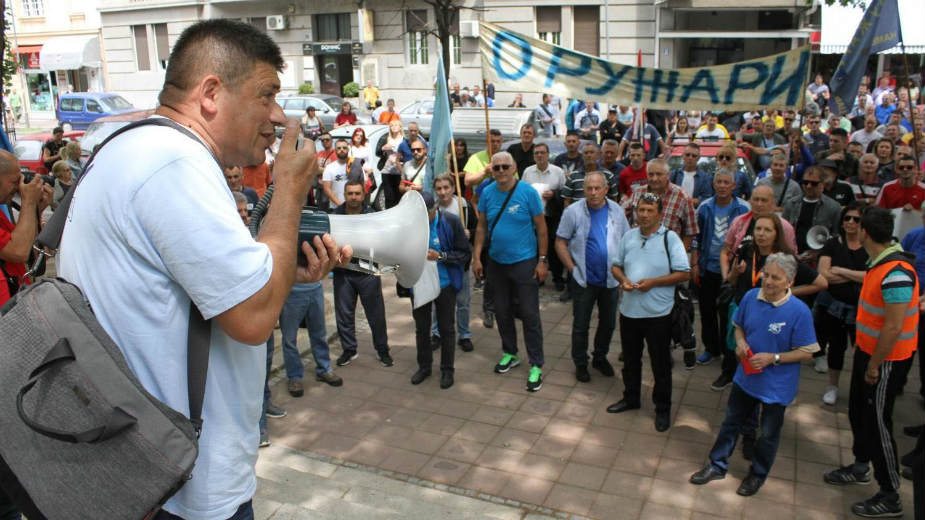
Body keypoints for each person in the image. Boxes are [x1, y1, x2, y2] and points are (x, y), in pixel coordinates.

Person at [56, 19, 348, 520]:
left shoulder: (135, 147)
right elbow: (252, 319)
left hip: (148, 468)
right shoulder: (174, 163)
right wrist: (289, 189)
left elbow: (198, 289)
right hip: (183, 488)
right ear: (211, 93)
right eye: (266, 95)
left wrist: (281, 274)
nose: (278, 117)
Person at [690, 253, 818, 497]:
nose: (768, 281)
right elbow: (738, 326)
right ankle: (717, 465)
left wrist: (774, 358)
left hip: (776, 387)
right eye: (766, 275)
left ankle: (757, 475)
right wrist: (740, 343)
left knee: (768, 434)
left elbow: (808, 352)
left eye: (776, 278)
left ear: (790, 281)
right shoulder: (750, 297)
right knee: (731, 423)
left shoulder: (799, 312)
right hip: (746, 378)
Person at [823, 207, 918, 518]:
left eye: (858, 225)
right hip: (868, 354)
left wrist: (875, 365)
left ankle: (890, 494)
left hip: (886, 360)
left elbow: (893, 327)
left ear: (865, 232)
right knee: (859, 413)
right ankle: (861, 466)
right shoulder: (880, 261)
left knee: (878, 423)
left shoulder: (896, 272)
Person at [607, 192, 690, 432]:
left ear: (659, 214)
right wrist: (623, 280)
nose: (644, 215)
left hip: (658, 314)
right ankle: (631, 397)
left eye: (649, 210)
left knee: (660, 365)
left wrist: (653, 283)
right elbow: (616, 266)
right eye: (641, 210)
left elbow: (684, 273)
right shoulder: (629, 236)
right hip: (629, 312)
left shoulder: (670, 239)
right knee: (630, 360)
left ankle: (662, 409)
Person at [472, 152, 548, 392]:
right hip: (496, 263)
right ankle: (510, 352)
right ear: (491, 170)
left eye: (505, 166)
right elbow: (481, 227)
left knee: (529, 314)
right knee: (502, 311)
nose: (501, 171)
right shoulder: (487, 193)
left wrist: (542, 260)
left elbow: (541, 228)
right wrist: (477, 257)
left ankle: (536, 364)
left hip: (524, 262)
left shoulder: (527, 193)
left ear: (514, 168)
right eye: (497, 168)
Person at [555, 171, 630, 382]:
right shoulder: (573, 211)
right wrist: (572, 269)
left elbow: (626, 241)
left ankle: (600, 357)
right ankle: (581, 362)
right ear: (584, 190)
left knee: (608, 324)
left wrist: (624, 274)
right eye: (589, 188)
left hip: (611, 279)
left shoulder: (617, 211)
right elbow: (560, 242)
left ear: (606, 189)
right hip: (583, 279)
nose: (593, 192)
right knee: (581, 324)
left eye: (598, 188)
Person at [692, 169, 751, 371]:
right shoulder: (705, 207)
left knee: (728, 313)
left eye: (727, 182)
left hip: (733, 271)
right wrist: (695, 264)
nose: (723, 186)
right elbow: (696, 237)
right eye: (719, 182)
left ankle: (728, 352)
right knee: (707, 311)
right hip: (708, 267)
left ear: (734, 186)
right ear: (713, 184)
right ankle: (711, 348)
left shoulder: (743, 208)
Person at [411, 192, 471, 389]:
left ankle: (447, 370)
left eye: (426, 214)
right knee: (422, 328)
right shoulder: (411, 224)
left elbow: (464, 253)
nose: (422, 218)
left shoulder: (451, 222)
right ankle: (424, 367)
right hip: (420, 284)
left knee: (446, 329)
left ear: (435, 209)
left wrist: (441, 256)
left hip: (445, 284)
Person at [333, 179, 393, 368]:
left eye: (357, 193)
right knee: (344, 315)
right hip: (343, 272)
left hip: (367, 271)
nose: (353, 197)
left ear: (363, 195)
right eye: (350, 193)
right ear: (344, 195)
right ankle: (349, 350)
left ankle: (383, 350)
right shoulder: (335, 216)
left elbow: (382, 241)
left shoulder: (372, 215)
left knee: (376, 315)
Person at [816, 203, 868, 405]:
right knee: (836, 347)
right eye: (847, 218)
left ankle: (861, 388)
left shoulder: (868, 245)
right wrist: (856, 277)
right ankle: (832, 386)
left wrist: (841, 271)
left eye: (856, 219)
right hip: (834, 306)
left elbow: (870, 276)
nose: (850, 222)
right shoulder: (832, 243)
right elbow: (824, 274)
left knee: (861, 349)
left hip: (861, 308)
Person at [431, 174, 477, 352]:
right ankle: (436, 333)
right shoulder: (433, 208)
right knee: (437, 300)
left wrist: (469, 233)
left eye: (446, 187)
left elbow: (477, 228)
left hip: (459, 263)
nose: (443, 192)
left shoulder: (463, 206)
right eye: (439, 188)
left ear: (453, 188)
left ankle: (464, 334)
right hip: (439, 263)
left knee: (463, 301)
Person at [0, 150, 52, 307]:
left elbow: (29, 250)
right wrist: (29, 202)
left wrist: (36, 210)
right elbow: (18, 251)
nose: (19, 187)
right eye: (15, 181)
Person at [522, 143, 567, 291]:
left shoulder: (558, 172)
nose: (539, 155)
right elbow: (522, 192)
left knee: (554, 246)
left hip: (552, 215)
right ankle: (538, 276)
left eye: (542, 153)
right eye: (536, 153)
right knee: (535, 245)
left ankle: (557, 277)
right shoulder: (528, 172)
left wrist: (554, 194)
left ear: (548, 155)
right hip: (533, 216)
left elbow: (565, 193)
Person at [625, 158, 698, 249]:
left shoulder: (682, 197)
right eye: (651, 174)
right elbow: (625, 219)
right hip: (637, 250)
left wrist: (679, 253)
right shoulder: (638, 193)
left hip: (667, 253)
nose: (654, 178)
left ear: (668, 175)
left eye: (659, 174)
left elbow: (690, 232)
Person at [782, 166, 842, 254]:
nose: (808, 186)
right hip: (792, 253)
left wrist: (819, 253)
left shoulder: (834, 207)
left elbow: (837, 235)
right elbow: (783, 231)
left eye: (814, 183)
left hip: (820, 255)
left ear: (822, 184)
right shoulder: (791, 204)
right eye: (805, 182)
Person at [669, 142, 713, 208]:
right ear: (683, 156)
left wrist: (684, 201)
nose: (690, 158)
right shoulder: (674, 174)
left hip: (696, 213)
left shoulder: (705, 178)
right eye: (687, 155)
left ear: (698, 158)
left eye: (694, 156)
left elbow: (707, 199)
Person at [322, 139, 352, 210]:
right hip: (336, 208)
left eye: (344, 148)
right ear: (335, 150)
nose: (342, 150)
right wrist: (340, 205)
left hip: (354, 207)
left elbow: (363, 184)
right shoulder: (329, 168)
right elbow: (327, 189)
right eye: (339, 148)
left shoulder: (356, 165)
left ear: (348, 149)